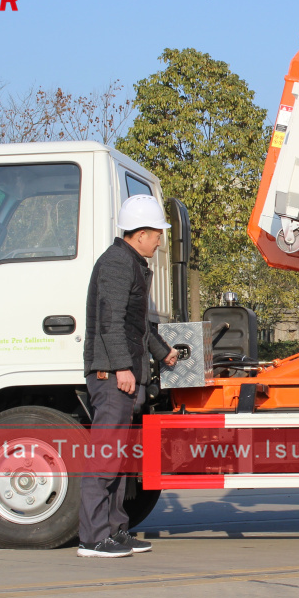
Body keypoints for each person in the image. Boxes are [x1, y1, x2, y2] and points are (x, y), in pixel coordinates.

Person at [77, 194, 178, 558]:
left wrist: (163, 353)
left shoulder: (132, 263)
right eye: (156, 234)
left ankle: (115, 530)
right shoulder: (118, 264)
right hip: (111, 375)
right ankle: (92, 538)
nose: (160, 241)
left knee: (118, 459)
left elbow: (138, 326)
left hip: (124, 373)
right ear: (140, 233)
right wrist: (121, 367)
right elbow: (110, 321)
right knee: (105, 456)